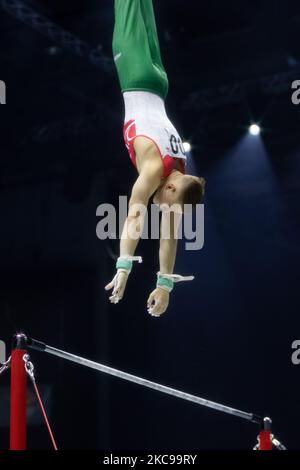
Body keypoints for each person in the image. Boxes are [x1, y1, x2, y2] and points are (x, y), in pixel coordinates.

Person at [105, 0, 205, 317]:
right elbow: (134, 217)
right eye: (166, 204)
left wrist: (164, 285)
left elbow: (168, 238)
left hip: (159, 80)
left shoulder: (179, 172)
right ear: (173, 190)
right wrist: (123, 268)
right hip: (135, 72)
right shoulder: (153, 169)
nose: (162, 207)